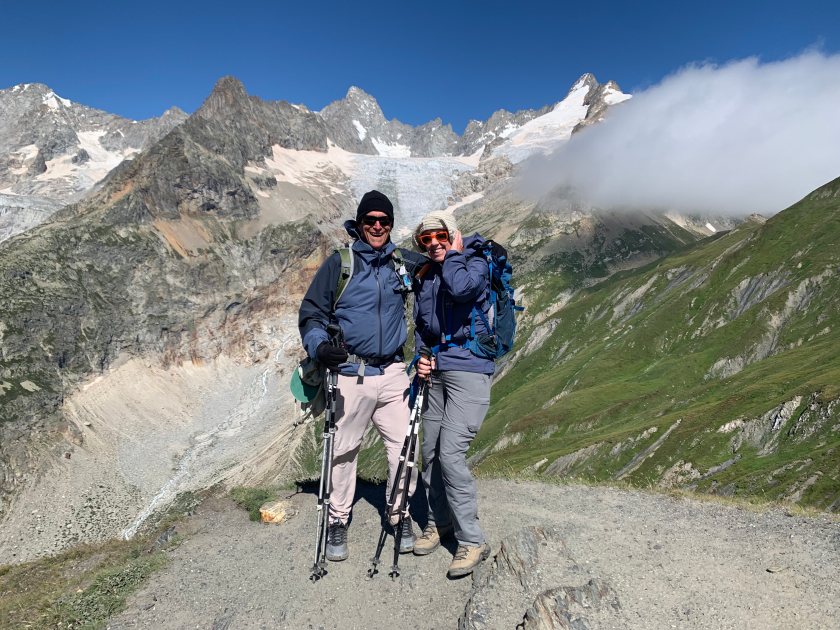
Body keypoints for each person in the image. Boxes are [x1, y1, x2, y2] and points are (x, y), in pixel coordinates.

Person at [298, 190, 426, 562]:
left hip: (393, 372)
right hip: (350, 372)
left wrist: (470, 250)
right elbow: (312, 315)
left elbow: (439, 264)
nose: (377, 226)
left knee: (405, 448)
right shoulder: (340, 263)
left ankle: (398, 513)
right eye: (370, 220)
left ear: (391, 224)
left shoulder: (402, 262)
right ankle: (338, 519)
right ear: (359, 223)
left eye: (384, 221)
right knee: (342, 450)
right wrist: (320, 348)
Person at [411, 210, 493, 578]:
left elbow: (462, 290)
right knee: (429, 451)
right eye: (425, 240)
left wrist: (455, 254)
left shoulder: (474, 262)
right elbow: (423, 325)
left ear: (453, 235)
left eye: (440, 236)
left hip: (470, 370)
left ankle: (472, 540)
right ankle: (437, 521)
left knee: (451, 454)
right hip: (437, 370)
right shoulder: (427, 275)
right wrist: (422, 356)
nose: (433, 244)